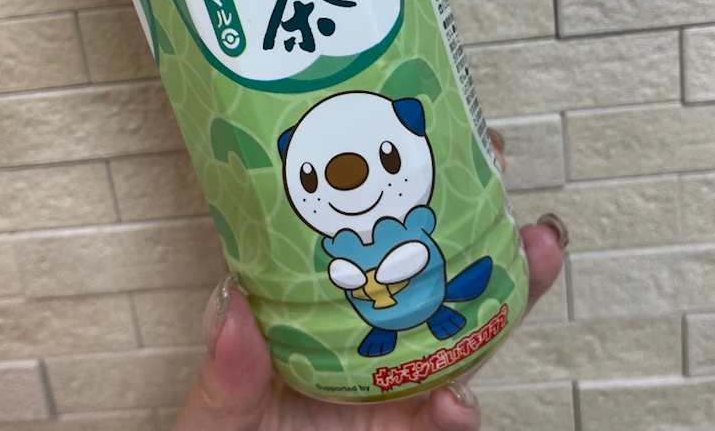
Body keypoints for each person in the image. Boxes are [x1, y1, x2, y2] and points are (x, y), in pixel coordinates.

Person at [172, 131, 568, 431]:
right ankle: (388, 328)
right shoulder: (338, 241)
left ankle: (436, 311)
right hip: (313, 360)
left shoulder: (411, 218)